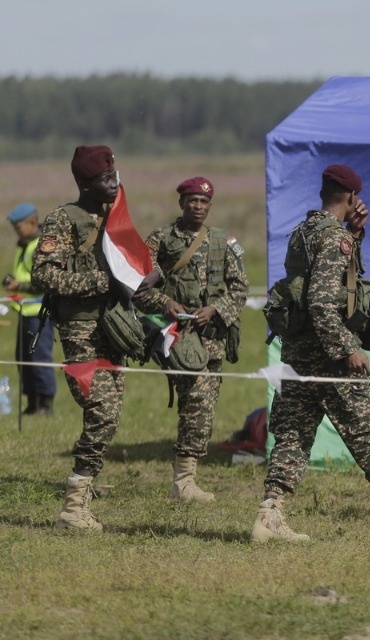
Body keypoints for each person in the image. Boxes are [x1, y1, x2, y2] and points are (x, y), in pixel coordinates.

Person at [251, 164, 370, 543]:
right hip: (328, 356)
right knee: (366, 428)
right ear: (352, 196)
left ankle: (269, 514)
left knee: (292, 432)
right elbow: (323, 302)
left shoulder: (304, 231)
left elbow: (318, 286)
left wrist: (354, 234)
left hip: (298, 352)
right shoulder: (333, 239)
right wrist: (347, 349)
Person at [32, 145, 160, 531]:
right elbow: (44, 275)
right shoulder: (63, 219)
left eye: (114, 177)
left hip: (114, 327)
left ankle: (80, 497)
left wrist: (157, 292)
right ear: (84, 183)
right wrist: (104, 281)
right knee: (101, 409)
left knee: (111, 412)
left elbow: (131, 278)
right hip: (80, 331)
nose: (113, 184)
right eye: (104, 179)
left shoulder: (115, 217)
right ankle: (74, 505)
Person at [136, 177, 248, 502]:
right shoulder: (160, 239)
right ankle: (183, 483)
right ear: (182, 203)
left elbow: (240, 288)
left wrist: (216, 308)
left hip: (213, 339)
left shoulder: (223, 241)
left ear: (210, 205)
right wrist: (165, 303)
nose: (198, 206)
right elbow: (140, 287)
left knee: (205, 407)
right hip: (179, 338)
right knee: (196, 404)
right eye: (192, 201)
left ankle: (186, 480)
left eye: (203, 202)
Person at [5, 203, 57, 415]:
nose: (16, 231)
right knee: (23, 359)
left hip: (40, 313)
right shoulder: (23, 244)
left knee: (39, 358)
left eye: (19, 227)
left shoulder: (42, 246)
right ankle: (32, 403)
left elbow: (45, 282)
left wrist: (19, 286)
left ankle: (46, 404)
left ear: (32, 223)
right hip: (24, 311)